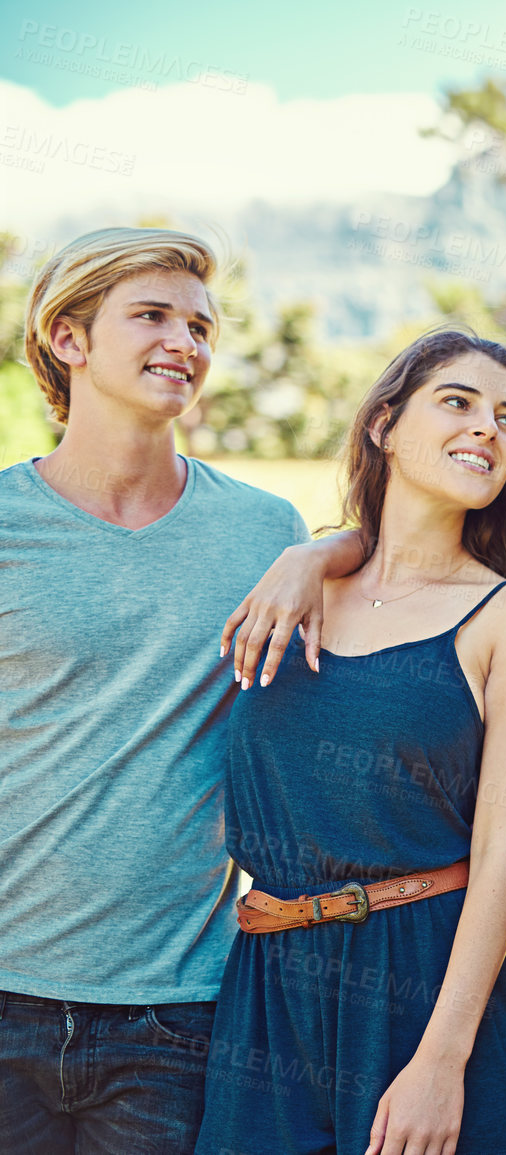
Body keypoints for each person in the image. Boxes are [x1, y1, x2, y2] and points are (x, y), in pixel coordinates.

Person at [0, 227, 351, 1154]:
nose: (185, 344)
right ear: (68, 340)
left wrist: (325, 546)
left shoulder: (261, 531)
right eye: (152, 316)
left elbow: (406, 557)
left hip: (176, 1009)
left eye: (200, 326)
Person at [192, 329, 506, 1155]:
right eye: (458, 402)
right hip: (268, 988)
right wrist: (316, 551)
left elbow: (504, 856)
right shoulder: (293, 584)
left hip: (425, 981)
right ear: (383, 426)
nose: (488, 429)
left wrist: (442, 1058)